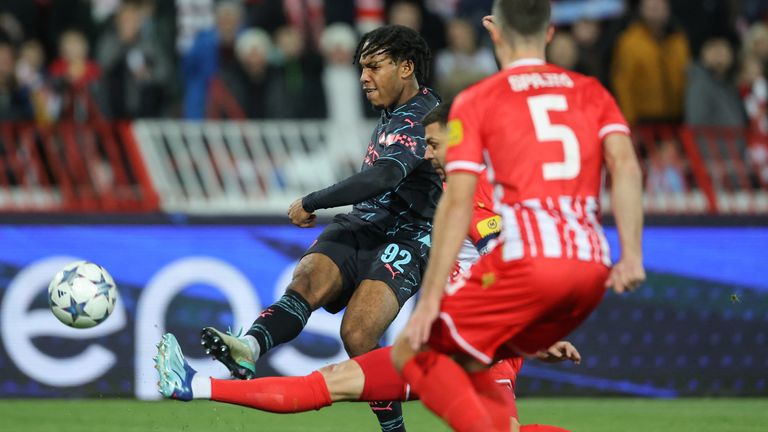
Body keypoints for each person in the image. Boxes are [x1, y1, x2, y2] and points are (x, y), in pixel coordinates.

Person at [156, 102, 571, 432]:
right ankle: (193, 383)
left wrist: (529, 335)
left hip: (485, 354)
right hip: (440, 350)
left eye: (434, 144)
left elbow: (512, 268)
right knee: (327, 383)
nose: (426, 154)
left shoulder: (477, 191)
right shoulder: (449, 189)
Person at [391, 1, 645, 431]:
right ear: (550, 34)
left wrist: (431, 297)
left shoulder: (476, 101)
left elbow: (457, 201)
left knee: (410, 353)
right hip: (591, 268)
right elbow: (625, 165)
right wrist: (632, 255)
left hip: (529, 262)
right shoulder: (592, 92)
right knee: (473, 359)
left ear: (494, 33)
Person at [200, 25, 440, 432]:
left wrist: (314, 200)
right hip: (364, 222)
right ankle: (250, 347)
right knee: (308, 280)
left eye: (373, 66)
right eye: (361, 68)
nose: (363, 77)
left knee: (358, 332)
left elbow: (383, 177)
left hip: (408, 235)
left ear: (406, 67)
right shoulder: (391, 114)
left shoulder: (425, 117)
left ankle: (394, 430)